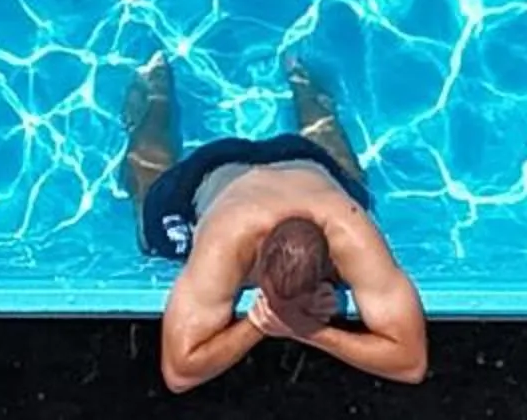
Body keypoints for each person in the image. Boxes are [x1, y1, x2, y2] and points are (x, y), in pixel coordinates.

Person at [124, 53, 430, 392]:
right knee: (148, 195)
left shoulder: (349, 231)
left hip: (304, 163)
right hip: (213, 176)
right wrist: (260, 323)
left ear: (330, 265)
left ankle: (305, 84)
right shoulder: (226, 242)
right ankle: (156, 96)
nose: (283, 311)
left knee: (351, 178)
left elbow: (411, 363)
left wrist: (310, 331)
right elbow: (179, 373)